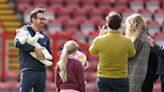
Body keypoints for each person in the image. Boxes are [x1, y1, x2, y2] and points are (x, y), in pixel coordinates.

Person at [89, 11, 136, 92]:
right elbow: (133, 53)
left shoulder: (99, 40)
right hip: (121, 77)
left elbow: (92, 51)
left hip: (103, 78)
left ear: (107, 24)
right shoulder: (127, 41)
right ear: (120, 24)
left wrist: (100, 36)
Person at [14, 8, 52, 92]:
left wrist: (43, 56)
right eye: (41, 19)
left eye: (44, 19)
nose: (43, 21)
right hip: (27, 71)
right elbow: (17, 43)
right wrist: (34, 49)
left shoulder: (45, 38)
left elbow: (50, 55)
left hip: (41, 73)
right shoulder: (24, 31)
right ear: (33, 19)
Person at [125, 13, 151, 92]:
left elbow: (129, 55)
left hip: (135, 72)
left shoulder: (139, 38)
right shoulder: (145, 37)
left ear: (133, 25)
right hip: (140, 71)